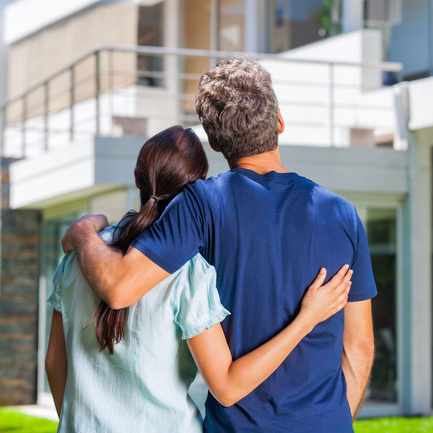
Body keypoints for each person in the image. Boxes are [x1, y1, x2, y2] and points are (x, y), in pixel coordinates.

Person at [62, 58, 376, 433]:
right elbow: (359, 348)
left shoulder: (200, 204)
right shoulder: (343, 215)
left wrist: (82, 232)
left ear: (213, 142)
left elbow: (118, 288)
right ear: (279, 121)